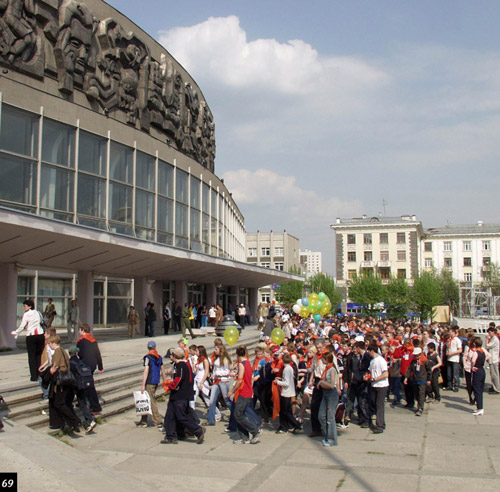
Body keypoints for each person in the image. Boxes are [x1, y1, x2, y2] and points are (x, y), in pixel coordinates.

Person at [161, 348, 205, 444]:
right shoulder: (184, 365)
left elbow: (179, 379)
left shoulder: (181, 365)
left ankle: (198, 430)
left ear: (175, 356)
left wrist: (170, 386)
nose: (170, 356)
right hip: (177, 395)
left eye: (171, 355)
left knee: (181, 416)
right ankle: (172, 435)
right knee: (170, 416)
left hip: (180, 395)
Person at [47, 335, 81, 434]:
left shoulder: (57, 352)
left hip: (60, 381)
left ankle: (74, 420)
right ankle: (71, 422)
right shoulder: (63, 351)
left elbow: (55, 366)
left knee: (59, 403)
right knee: (61, 403)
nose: (49, 346)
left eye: (49, 344)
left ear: (53, 343)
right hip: (67, 380)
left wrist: (50, 371)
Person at [228, 345, 261, 444]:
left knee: (238, 414)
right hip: (247, 391)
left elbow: (239, 381)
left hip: (244, 392)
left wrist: (232, 391)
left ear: (237, 355)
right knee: (240, 413)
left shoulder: (242, 364)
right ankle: (244, 437)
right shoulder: (247, 362)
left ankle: (255, 431)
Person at [11, 299, 45, 382]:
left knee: (31, 356)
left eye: (25, 306)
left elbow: (22, 326)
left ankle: (34, 376)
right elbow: (42, 322)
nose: (23, 307)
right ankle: (39, 373)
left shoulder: (26, 314)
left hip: (31, 336)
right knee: (39, 355)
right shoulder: (38, 312)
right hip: (40, 335)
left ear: (29, 306)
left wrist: (16, 332)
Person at [68, 345, 97, 434]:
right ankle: (87, 421)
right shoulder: (80, 361)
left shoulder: (71, 363)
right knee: (83, 402)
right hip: (85, 384)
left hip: (77, 386)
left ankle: (89, 420)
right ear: (76, 353)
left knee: (82, 403)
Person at [76, 324, 103, 414]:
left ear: (83, 330)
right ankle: (82, 402)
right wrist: (100, 366)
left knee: (88, 386)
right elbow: (97, 354)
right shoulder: (93, 340)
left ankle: (95, 407)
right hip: (92, 365)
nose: (79, 331)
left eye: (79, 330)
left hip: (85, 366)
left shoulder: (81, 342)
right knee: (85, 385)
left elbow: (80, 354)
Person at [138, 341, 166, 428]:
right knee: (146, 400)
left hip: (149, 381)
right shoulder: (159, 357)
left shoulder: (148, 358)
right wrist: (164, 380)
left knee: (150, 400)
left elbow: (146, 371)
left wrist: (143, 385)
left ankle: (157, 420)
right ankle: (143, 420)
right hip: (156, 380)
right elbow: (162, 369)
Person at [275, 352, 302, 434]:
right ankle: (285, 426)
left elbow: (286, 383)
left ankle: (295, 424)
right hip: (290, 391)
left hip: (286, 392)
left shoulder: (286, 369)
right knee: (286, 411)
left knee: (285, 411)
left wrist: (277, 382)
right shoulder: (290, 368)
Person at [317, 351, 339, 446]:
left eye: (323, 359)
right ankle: (327, 435)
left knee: (330, 417)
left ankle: (332, 439)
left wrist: (321, 383)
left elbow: (331, 385)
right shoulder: (326, 369)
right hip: (325, 394)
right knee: (321, 415)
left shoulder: (332, 370)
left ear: (327, 359)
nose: (322, 360)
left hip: (331, 394)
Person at [207, 344, 232, 425]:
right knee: (211, 400)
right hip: (216, 381)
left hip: (223, 381)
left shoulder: (225, 360)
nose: (215, 350)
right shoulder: (217, 359)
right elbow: (215, 369)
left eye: (216, 349)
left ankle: (235, 416)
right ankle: (211, 420)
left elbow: (227, 372)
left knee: (226, 400)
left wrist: (217, 374)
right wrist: (213, 374)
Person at [367, 342, 389, 434]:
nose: (368, 353)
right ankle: (381, 422)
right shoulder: (372, 361)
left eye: (369, 351)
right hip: (374, 385)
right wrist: (367, 376)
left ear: (372, 351)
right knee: (374, 404)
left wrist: (375, 378)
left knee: (379, 405)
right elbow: (370, 371)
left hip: (381, 385)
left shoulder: (381, 360)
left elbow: (385, 374)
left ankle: (379, 426)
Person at [404, 347, 431, 416]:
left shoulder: (425, 361)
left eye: (417, 355)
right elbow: (409, 369)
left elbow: (429, 371)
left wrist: (428, 379)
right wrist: (406, 377)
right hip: (415, 380)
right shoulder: (413, 361)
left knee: (421, 394)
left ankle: (420, 408)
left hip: (422, 380)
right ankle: (418, 405)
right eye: (415, 355)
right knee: (416, 394)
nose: (415, 356)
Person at [470, 337, 491, 416]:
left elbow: (473, 361)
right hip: (482, 370)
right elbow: (488, 356)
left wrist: (473, 366)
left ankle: (480, 408)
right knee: (480, 389)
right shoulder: (483, 351)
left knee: (477, 389)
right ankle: (480, 407)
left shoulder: (476, 352)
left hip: (477, 370)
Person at [486, 327, 500, 394]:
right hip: (492, 359)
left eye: (489, 332)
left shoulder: (495, 339)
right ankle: (494, 386)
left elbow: (487, 346)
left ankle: (497, 388)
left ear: (493, 332)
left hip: (494, 359)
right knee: (492, 374)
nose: (489, 334)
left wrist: (486, 339)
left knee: (495, 375)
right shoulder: (493, 339)